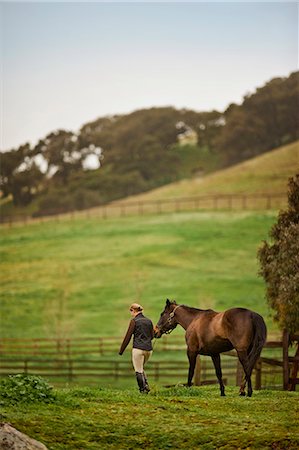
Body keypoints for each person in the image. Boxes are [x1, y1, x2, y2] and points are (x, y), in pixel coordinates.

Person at [119, 303, 154, 393]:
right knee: (141, 368)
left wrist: (121, 351)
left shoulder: (134, 321)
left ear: (133, 311)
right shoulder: (149, 321)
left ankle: (143, 390)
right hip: (149, 350)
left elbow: (128, 337)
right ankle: (146, 386)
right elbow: (152, 336)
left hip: (138, 349)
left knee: (138, 370)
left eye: (131, 311)